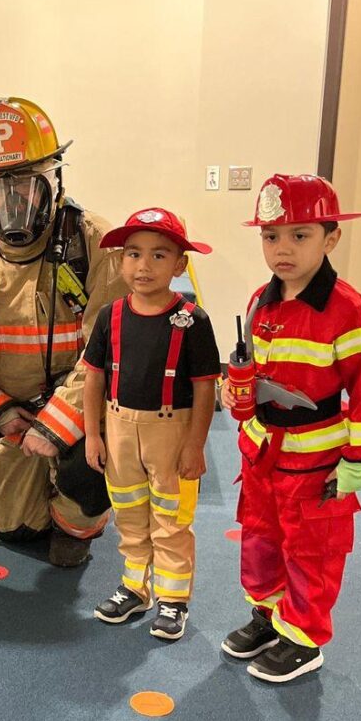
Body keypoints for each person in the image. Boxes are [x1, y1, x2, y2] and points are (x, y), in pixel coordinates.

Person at [0, 96, 128, 567]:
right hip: (12, 419)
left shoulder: (94, 243)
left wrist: (59, 422)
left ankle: (78, 519)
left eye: (26, 184)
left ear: (54, 180)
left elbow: (109, 352)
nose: (13, 202)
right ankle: (36, 487)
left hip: (79, 412)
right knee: (13, 528)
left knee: (91, 463)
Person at [220, 174, 361, 682]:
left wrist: (356, 461)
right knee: (260, 538)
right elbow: (252, 371)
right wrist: (234, 393)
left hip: (316, 457)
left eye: (299, 235)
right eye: (271, 237)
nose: (282, 249)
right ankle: (269, 615)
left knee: (311, 547)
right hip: (262, 451)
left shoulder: (347, 309)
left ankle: (304, 636)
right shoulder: (259, 302)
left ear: (331, 239)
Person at [83, 209, 220, 640]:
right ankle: (134, 587)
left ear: (180, 265)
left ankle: (173, 599)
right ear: (121, 261)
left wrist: (195, 445)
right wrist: (92, 432)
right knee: (129, 514)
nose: (143, 266)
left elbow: (204, 388)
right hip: (119, 429)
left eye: (159, 256)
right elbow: (94, 378)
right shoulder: (110, 316)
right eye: (133, 254)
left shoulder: (192, 320)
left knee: (171, 519)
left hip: (172, 433)